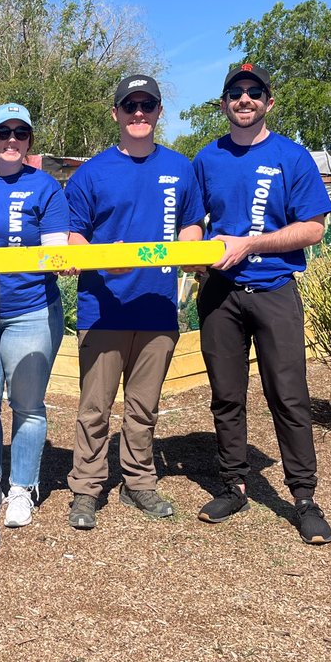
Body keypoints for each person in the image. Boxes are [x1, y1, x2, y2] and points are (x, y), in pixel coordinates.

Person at [192, 62, 331, 545]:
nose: (245, 99)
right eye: (236, 92)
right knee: (226, 395)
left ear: (269, 102)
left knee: (289, 396)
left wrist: (250, 243)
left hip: (275, 291)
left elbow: (314, 228)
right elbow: (194, 221)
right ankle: (233, 484)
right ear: (225, 103)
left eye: (255, 92)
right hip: (220, 295)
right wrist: (194, 253)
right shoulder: (207, 158)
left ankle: (304, 497)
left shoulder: (292, 157)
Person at [64, 74, 206, 530]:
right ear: (116, 114)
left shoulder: (181, 169)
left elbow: (191, 225)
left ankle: (138, 483)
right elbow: (74, 238)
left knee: (144, 407)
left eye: (147, 105)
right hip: (103, 309)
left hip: (158, 310)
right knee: (94, 408)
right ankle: (86, 489)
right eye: (130, 106)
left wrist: (189, 252)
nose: (138, 113)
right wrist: (103, 263)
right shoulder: (91, 173)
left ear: (159, 112)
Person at [0, 102, 69, 528]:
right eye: (2, 133)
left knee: (26, 404)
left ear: (29, 142)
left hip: (31, 311)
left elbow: (56, 248)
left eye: (19, 133)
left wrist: (62, 258)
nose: (11, 141)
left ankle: (23, 487)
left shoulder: (45, 187)